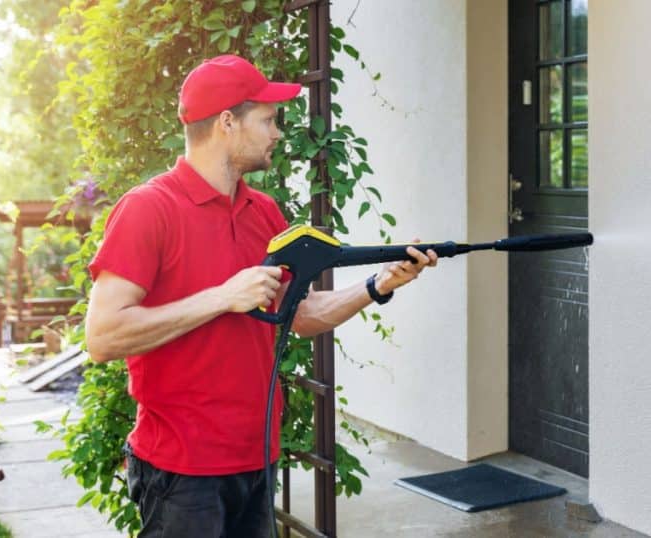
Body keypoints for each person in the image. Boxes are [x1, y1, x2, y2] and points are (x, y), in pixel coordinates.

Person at [84, 55, 438, 537]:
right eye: (268, 120)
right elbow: (103, 336)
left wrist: (380, 284)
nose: (277, 133)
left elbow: (303, 314)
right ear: (227, 122)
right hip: (181, 472)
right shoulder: (149, 210)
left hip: (256, 459)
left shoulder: (262, 211)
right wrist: (221, 297)